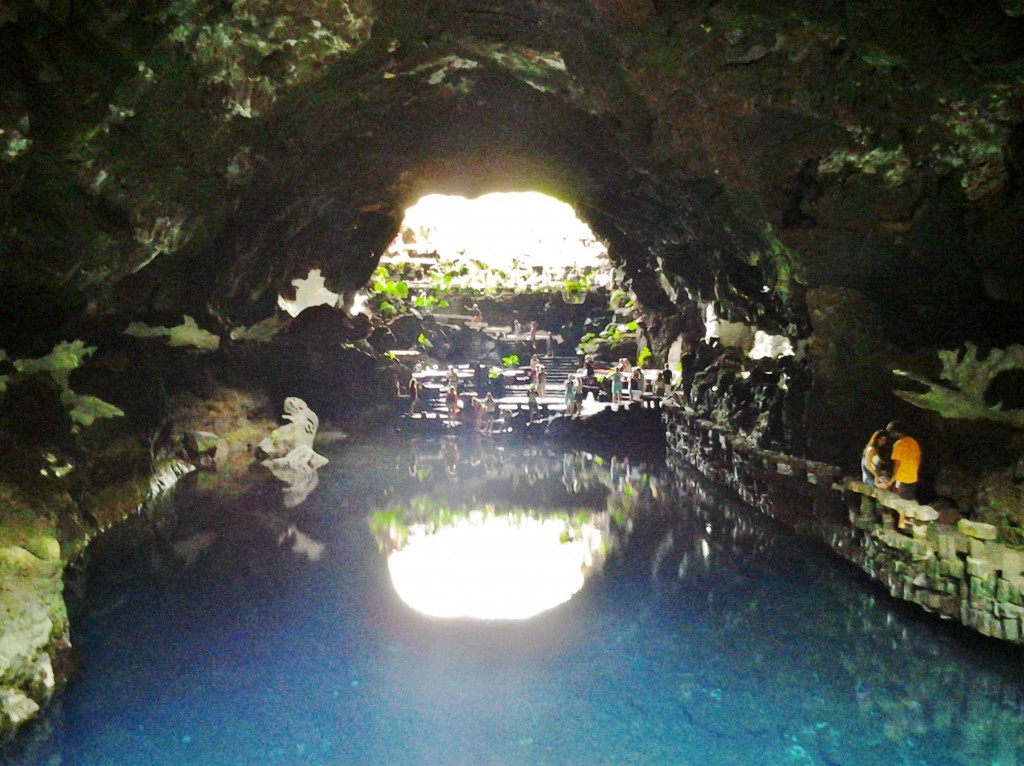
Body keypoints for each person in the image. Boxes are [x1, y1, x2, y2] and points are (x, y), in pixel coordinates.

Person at [886, 421, 921, 500]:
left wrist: (893, 479)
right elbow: (918, 459)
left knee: (900, 501)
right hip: (913, 478)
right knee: (909, 500)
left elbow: (897, 464)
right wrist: (915, 471)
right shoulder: (914, 442)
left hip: (902, 478)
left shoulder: (898, 444)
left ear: (896, 432)